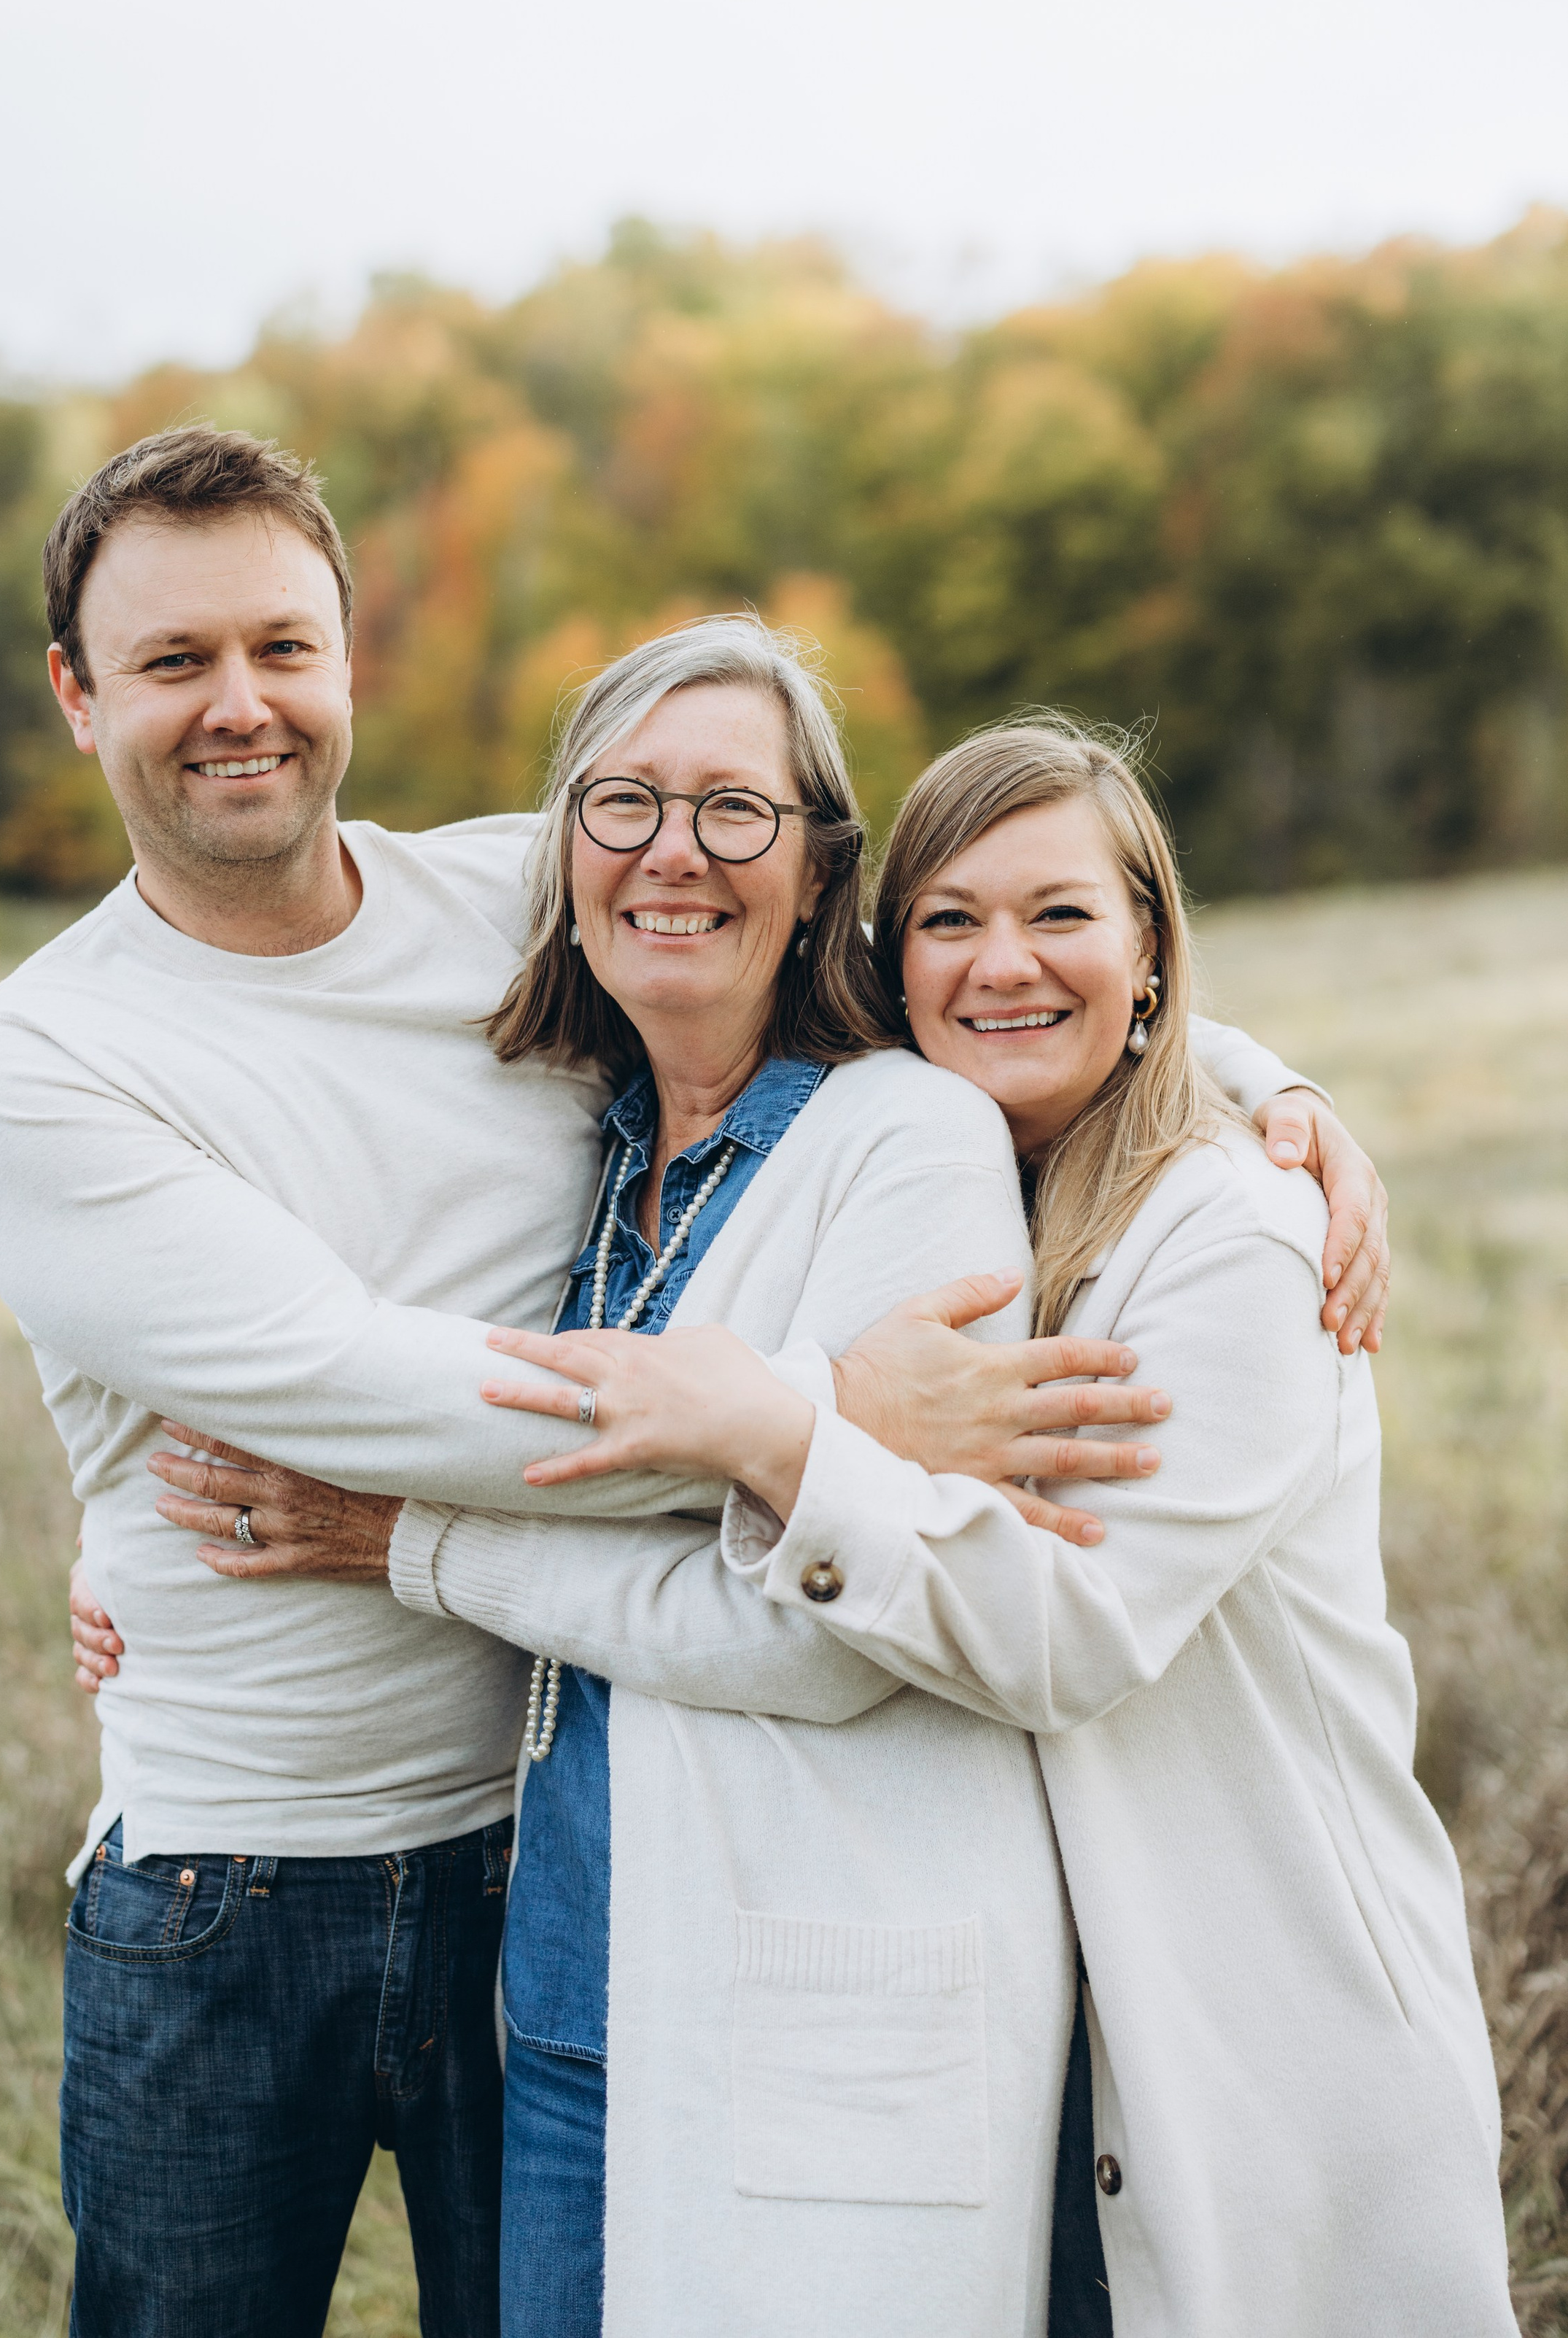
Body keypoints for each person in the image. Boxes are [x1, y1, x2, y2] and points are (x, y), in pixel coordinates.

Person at [0, 429, 1292, 2338]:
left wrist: (1250, 1079)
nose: (237, 706)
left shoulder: (513, 893)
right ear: (80, 698)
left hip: (546, 1853)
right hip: (238, 1870)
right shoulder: (33, 1061)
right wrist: (819, 1414)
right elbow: (345, 1386)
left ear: (348, 665)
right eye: (170, 663)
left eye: (279, 648)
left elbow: (950, 930)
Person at [467, 718, 1516, 2337]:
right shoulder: (979, 1186)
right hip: (1052, 2042)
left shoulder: (1231, 1238)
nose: (998, 962)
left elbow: (1064, 1634)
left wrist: (774, 1430)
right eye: (948, 919)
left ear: (1151, 947)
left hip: (1259, 2025)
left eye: (1058, 915)